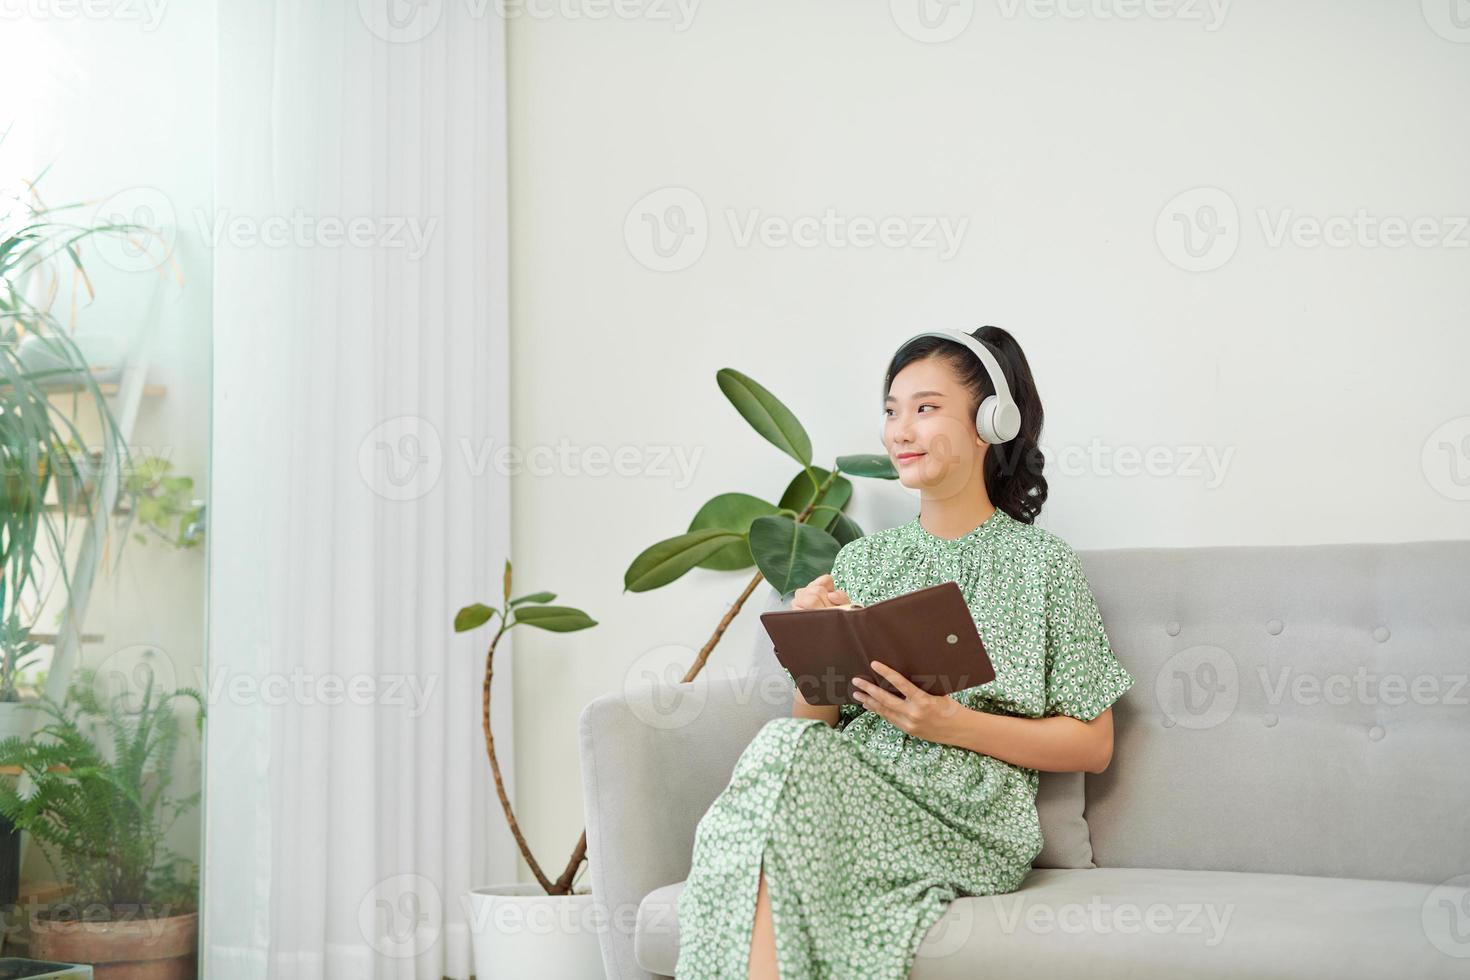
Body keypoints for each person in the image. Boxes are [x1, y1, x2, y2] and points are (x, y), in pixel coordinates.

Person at [673, 325, 1135, 979]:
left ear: (988, 424)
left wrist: (950, 724)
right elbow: (815, 729)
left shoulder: (1042, 564)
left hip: (969, 817)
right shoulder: (862, 561)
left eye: (925, 408)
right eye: (891, 411)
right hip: (849, 791)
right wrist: (817, 645)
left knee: (762, 819)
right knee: (774, 773)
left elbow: (1093, 745)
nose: (899, 430)